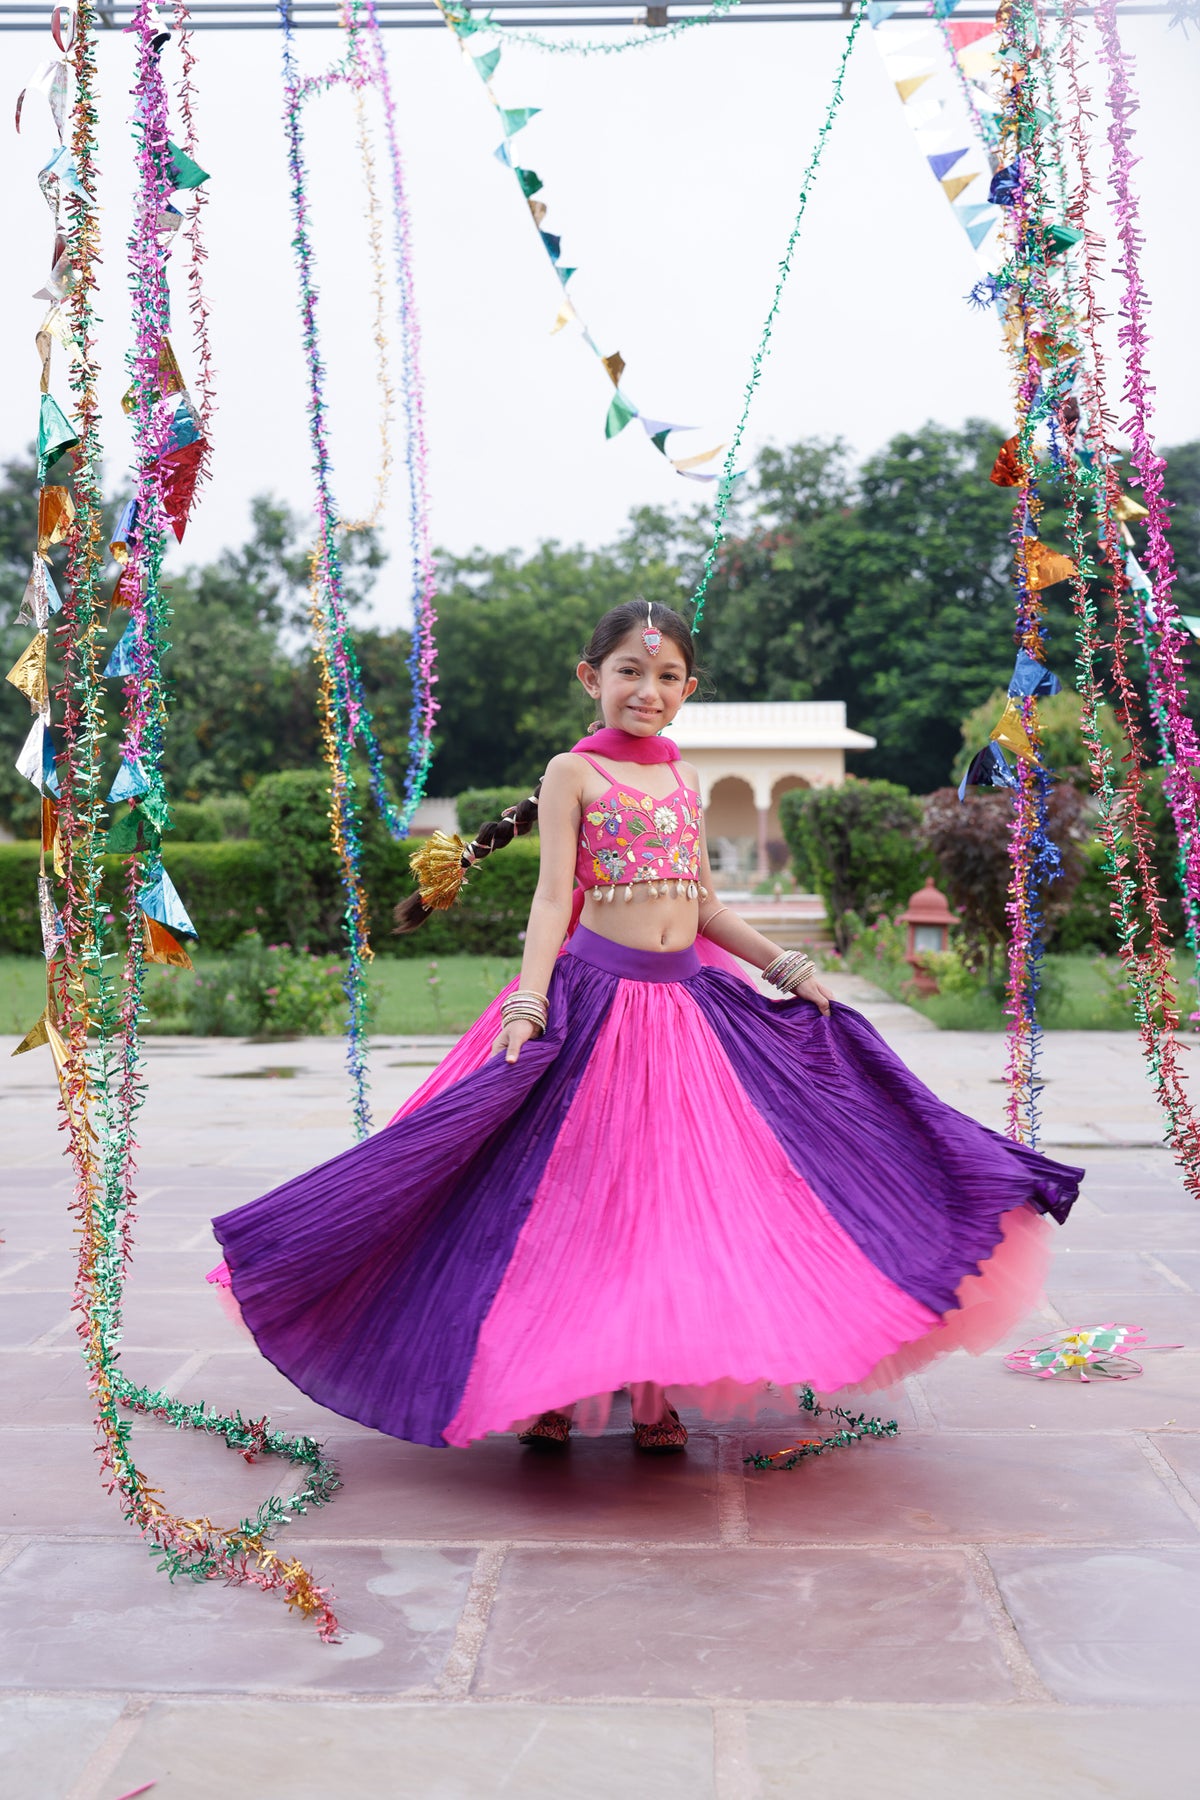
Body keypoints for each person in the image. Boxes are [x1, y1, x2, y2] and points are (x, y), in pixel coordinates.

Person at [209, 600, 1081, 1455]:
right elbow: (555, 898)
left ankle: (655, 1396)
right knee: (571, 1208)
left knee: (667, 1210)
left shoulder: (683, 778)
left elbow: (703, 907)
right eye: (630, 671)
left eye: (666, 676)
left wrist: (788, 967)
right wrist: (528, 998)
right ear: (593, 677)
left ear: (687, 686)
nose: (647, 690)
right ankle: (549, 1386)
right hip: (592, 1009)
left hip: (686, 1014)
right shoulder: (572, 772)